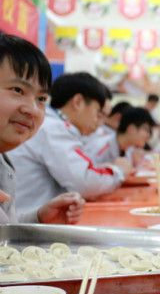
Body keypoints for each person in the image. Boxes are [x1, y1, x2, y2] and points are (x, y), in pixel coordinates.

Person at [8, 72, 128, 214]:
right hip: (27, 220)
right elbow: (84, 182)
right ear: (78, 102)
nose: (98, 122)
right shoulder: (54, 128)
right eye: (97, 112)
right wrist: (119, 171)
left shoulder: (53, 125)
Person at [0, 33, 85, 224]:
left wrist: (39, 218)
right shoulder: (55, 129)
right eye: (17, 90)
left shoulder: (3, 161)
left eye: (41, 99)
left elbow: (5, 230)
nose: (32, 110)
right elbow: (84, 181)